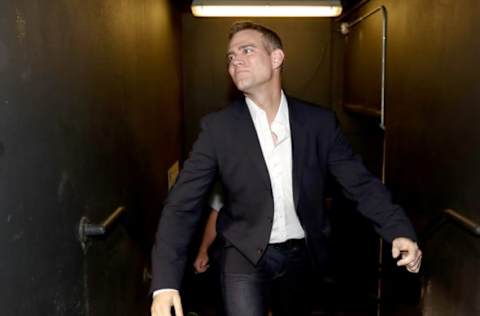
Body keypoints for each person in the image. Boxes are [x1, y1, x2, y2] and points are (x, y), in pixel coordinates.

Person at [150, 21, 422, 316]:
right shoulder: (218, 129)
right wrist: (165, 284)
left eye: (247, 50)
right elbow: (181, 205)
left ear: (276, 58)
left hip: (302, 256)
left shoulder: (318, 123)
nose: (235, 60)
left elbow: (360, 184)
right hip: (243, 252)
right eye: (230, 56)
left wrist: (398, 230)